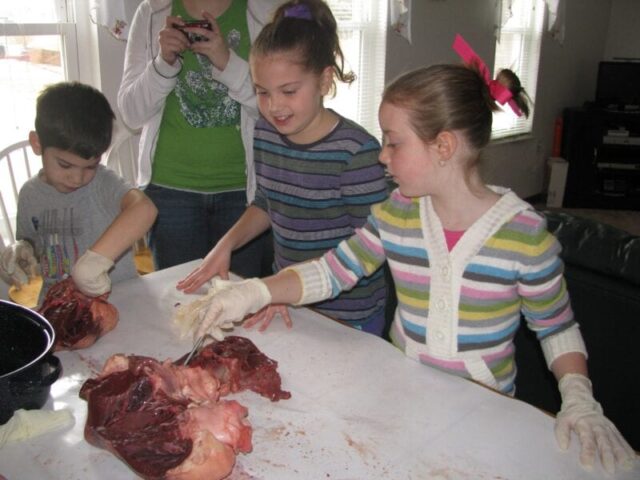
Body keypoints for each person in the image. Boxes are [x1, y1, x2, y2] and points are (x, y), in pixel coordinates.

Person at [181, 36, 636, 474]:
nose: (381, 156)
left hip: (482, 411)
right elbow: (332, 271)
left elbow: (556, 327)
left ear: (443, 147)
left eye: (393, 143)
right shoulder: (397, 213)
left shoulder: (524, 235)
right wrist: (254, 293)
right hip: (402, 397)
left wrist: (578, 395)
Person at [177, 0, 389, 335]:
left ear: (324, 81)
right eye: (262, 92)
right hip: (288, 304)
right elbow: (267, 202)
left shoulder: (356, 153)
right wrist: (226, 244)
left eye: (289, 91)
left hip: (350, 317)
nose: (274, 106)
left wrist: (280, 287)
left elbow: (370, 247)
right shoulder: (265, 132)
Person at [118, 0, 284, 273]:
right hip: (170, 191)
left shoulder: (266, 10)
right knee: (180, 303)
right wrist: (163, 62)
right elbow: (131, 113)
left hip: (245, 193)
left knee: (241, 303)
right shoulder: (152, 11)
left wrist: (227, 61)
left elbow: (278, 110)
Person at [13, 81, 157, 303]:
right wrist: (20, 252)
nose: (78, 178)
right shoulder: (29, 195)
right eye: (65, 165)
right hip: (58, 304)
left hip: (118, 300)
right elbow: (31, 244)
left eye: (90, 166)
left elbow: (145, 209)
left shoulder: (102, 183)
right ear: (37, 143)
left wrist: (95, 262)